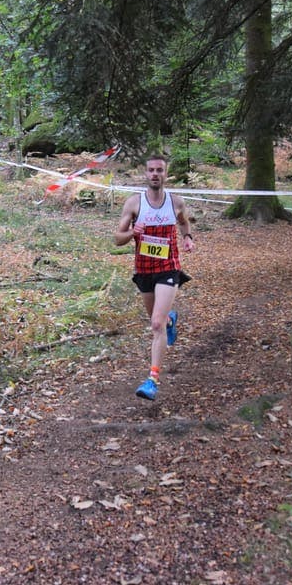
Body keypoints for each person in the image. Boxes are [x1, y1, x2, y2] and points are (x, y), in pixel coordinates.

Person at [114, 154, 195, 401]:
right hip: (144, 270)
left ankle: (152, 380)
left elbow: (184, 223)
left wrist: (188, 237)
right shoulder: (134, 204)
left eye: (160, 170)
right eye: (151, 170)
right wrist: (131, 232)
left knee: (155, 325)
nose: (155, 174)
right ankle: (171, 321)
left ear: (166, 173)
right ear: (145, 173)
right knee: (158, 320)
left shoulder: (176, 202)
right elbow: (117, 238)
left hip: (169, 268)